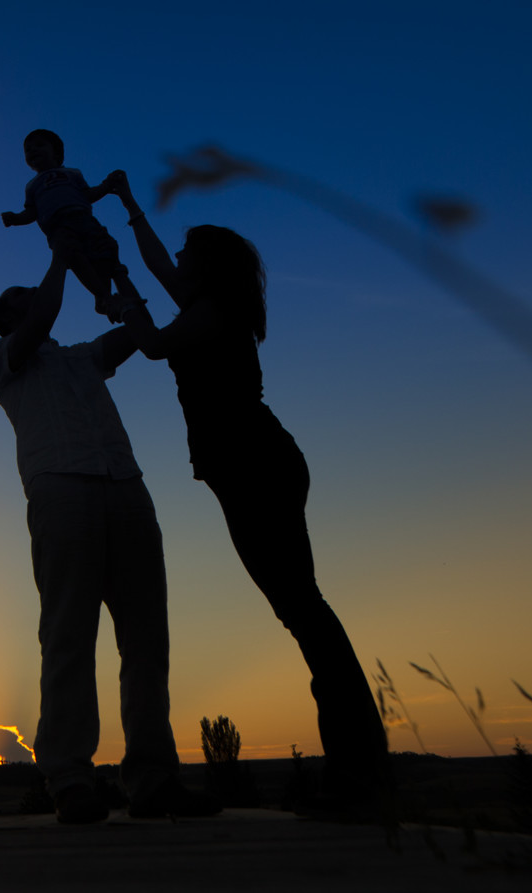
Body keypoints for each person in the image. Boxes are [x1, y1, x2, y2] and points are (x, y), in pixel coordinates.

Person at [105, 174, 390, 810]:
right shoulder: (208, 306)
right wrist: (127, 207)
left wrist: (124, 303)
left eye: (187, 252)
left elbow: (153, 345)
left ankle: (361, 776)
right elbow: (157, 266)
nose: (177, 258)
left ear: (207, 265)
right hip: (251, 466)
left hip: (255, 464)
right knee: (303, 611)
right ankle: (359, 773)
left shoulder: (212, 313)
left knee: (304, 611)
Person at [0, 242, 215, 823]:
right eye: (24, 296)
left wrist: (119, 279)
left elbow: (139, 336)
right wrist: (62, 258)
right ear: (9, 317)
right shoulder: (5, 358)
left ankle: (154, 779)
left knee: (147, 636)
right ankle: (69, 779)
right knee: (68, 633)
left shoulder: (82, 357)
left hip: (125, 485)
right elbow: (43, 315)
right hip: (61, 489)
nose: (35, 296)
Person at [0, 128, 130, 318]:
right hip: (58, 227)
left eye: (39, 145)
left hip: (84, 219)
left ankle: (103, 296)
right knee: (73, 255)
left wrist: (106, 186)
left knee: (105, 249)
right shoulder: (32, 186)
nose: (32, 150)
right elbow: (31, 212)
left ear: (56, 152)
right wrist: (15, 219)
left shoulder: (73, 173)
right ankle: (104, 296)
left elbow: (87, 195)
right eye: (28, 149)